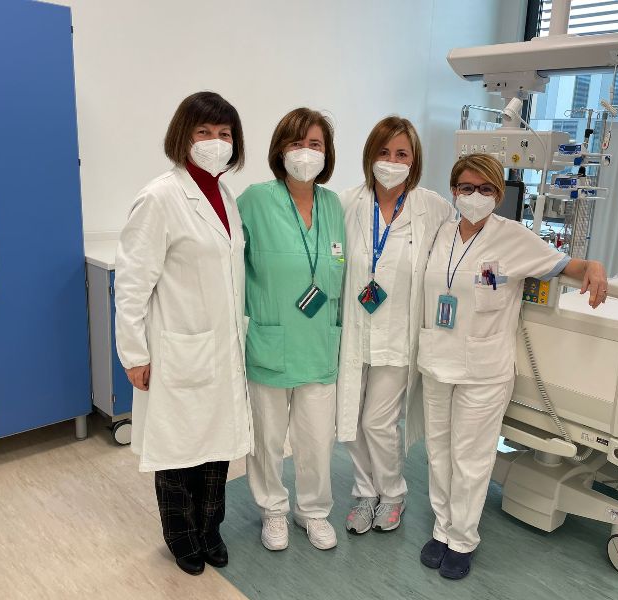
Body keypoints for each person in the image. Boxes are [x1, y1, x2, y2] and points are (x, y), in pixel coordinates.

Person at [417, 153, 608, 580]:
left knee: (471, 458)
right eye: (467, 187)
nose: (475, 196)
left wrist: (593, 266)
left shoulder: (515, 238)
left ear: (498, 194)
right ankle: (441, 528)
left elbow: (567, 265)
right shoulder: (440, 234)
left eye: (485, 189)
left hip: (483, 371)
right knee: (438, 453)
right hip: (436, 361)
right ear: (453, 190)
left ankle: (462, 539)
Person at [115, 92, 251, 576]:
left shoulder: (226, 197)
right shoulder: (160, 197)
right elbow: (132, 284)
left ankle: (210, 529)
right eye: (204, 132)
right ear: (183, 136)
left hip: (222, 347)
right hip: (179, 347)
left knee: (216, 446)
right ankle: (180, 535)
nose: (215, 142)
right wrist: (134, 353)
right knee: (178, 450)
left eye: (224, 133)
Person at [337, 116, 453, 535]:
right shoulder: (347, 203)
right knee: (350, 419)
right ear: (370, 155)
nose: (391, 161)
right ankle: (365, 493)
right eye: (384, 152)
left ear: (414, 160)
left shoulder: (433, 207)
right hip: (354, 332)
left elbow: (463, 249)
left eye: (401, 154)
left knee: (377, 422)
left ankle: (393, 493)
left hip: (398, 336)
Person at [237, 108, 345, 552]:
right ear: (280, 149)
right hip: (270, 340)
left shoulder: (333, 205)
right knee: (267, 438)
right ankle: (273, 511)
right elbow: (229, 265)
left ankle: (313, 512)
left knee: (317, 440)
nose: (305, 152)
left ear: (327, 153)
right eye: (296, 143)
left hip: (319, 344)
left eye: (315, 144)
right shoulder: (255, 200)